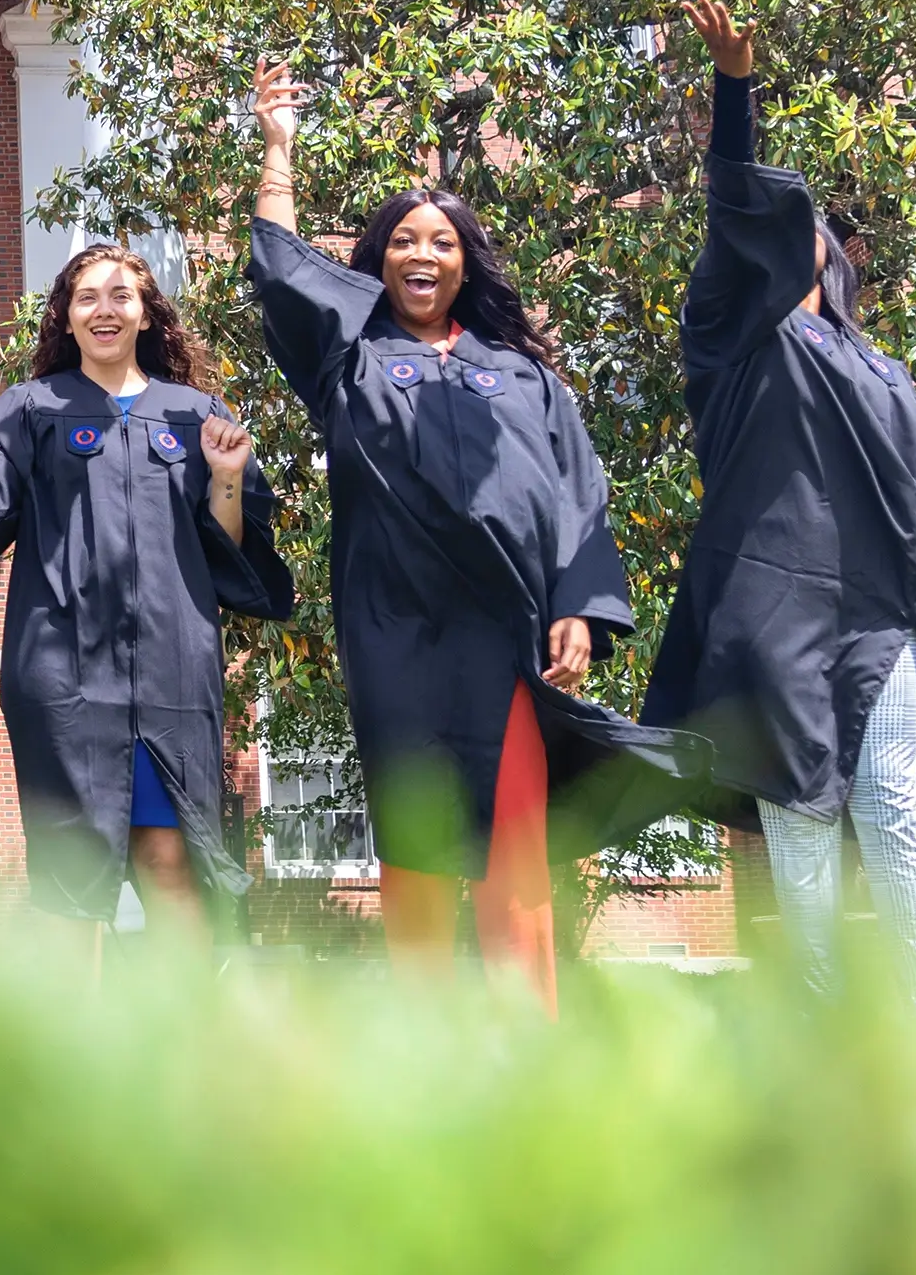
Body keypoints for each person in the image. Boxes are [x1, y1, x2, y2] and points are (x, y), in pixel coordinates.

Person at [246, 57, 701, 1011]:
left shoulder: (522, 375)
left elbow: (579, 492)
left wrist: (579, 604)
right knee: (415, 840)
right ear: (377, 262)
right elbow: (284, 272)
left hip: (507, 633)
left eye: (442, 241)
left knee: (513, 838)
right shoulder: (350, 358)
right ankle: (426, 1057)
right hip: (397, 625)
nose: (422, 254)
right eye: (403, 240)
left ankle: (526, 1046)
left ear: (465, 262)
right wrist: (278, 149)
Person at [644, 0, 916, 1016]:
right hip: (772, 608)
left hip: (876, 610)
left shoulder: (880, 370)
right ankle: (826, 1046)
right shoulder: (738, 343)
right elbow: (735, 205)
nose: (794, 247)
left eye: (811, 239)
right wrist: (734, 88)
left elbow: (889, 497)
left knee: (893, 810)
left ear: (834, 263)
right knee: (800, 816)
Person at [0, 244, 293, 961]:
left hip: (170, 671)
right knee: (72, 883)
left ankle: (188, 1060)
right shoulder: (33, 409)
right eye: (87, 298)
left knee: (171, 860)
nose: (104, 309)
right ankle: (77, 1069)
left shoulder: (195, 414)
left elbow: (227, 549)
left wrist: (226, 476)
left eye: (120, 296)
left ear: (145, 314)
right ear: (66, 319)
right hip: (63, 671)